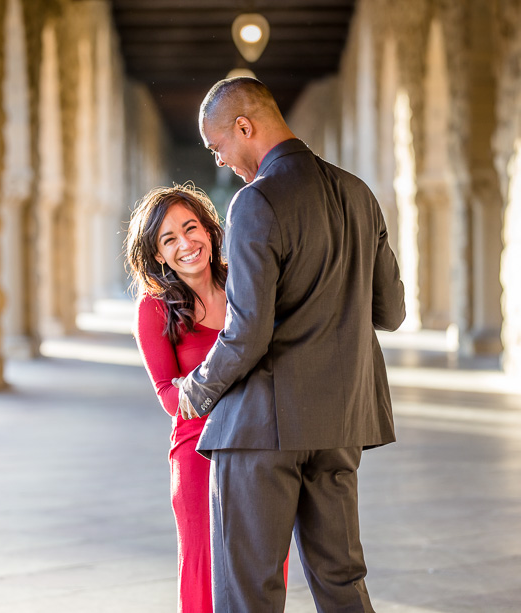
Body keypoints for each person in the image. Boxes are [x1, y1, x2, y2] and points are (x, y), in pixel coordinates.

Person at [176, 77, 406, 612]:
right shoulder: (359, 194)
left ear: (244, 126)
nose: (222, 162)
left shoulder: (254, 203)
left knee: (248, 589)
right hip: (342, 421)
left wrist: (198, 388)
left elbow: (247, 330)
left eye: (219, 148)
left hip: (262, 428)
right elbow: (390, 313)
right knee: (341, 580)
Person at [125, 184, 228, 613]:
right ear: (158, 255)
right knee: (203, 566)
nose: (186, 244)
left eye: (191, 228)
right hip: (198, 450)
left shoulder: (244, 281)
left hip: (260, 442)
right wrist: (229, 375)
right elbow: (169, 395)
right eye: (170, 239)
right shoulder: (154, 308)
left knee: (264, 561)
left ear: (208, 228)